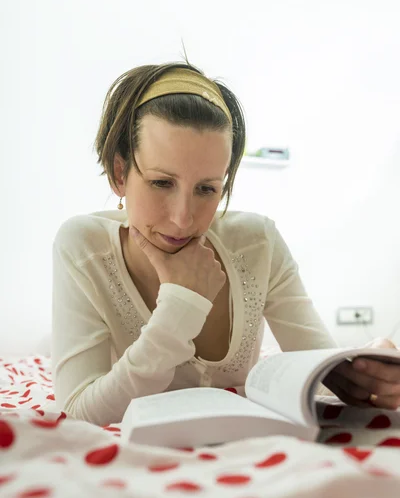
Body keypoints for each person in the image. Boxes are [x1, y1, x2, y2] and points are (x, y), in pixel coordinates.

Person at [52, 62, 399, 427]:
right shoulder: (84, 246)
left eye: (206, 189)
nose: (184, 218)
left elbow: (323, 365)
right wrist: (179, 308)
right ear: (119, 173)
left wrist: (368, 369)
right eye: (161, 183)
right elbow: (80, 411)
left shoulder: (257, 243)